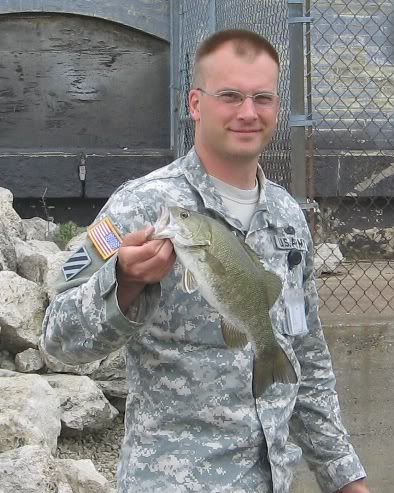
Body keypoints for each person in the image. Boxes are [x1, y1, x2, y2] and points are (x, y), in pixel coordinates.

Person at [42, 29, 370, 493]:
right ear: (196, 103)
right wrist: (124, 282)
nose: (248, 112)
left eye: (262, 98)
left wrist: (344, 475)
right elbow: (57, 338)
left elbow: (306, 353)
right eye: (230, 96)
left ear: (277, 108)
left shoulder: (288, 216)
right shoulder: (140, 206)